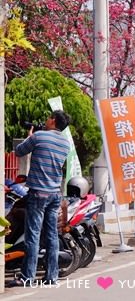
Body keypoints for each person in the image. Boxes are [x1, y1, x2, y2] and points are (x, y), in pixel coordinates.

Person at [9, 110, 71, 287]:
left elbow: (19, 151)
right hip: (54, 194)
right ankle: (51, 276)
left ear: (53, 121)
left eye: (48, 117)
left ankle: (27, 277)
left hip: (38, 192)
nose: (46, 119)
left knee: (33, 235)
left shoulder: (39, 136)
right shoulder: (65, 143)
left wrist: (30, 136)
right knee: (52, 235)